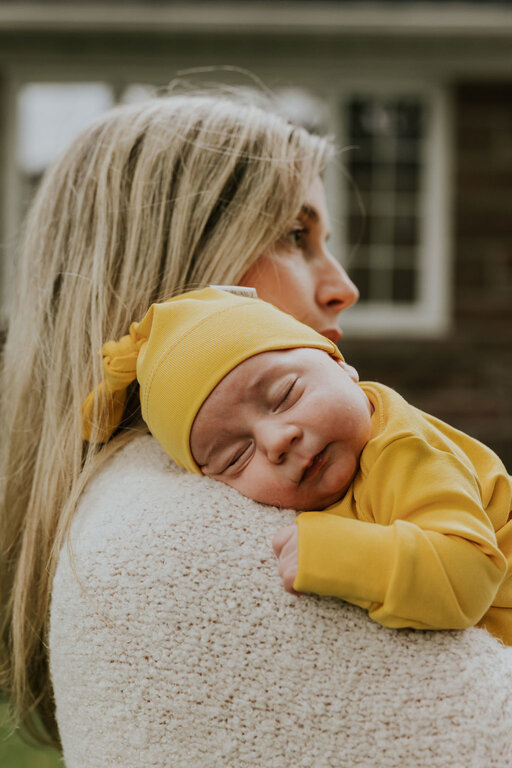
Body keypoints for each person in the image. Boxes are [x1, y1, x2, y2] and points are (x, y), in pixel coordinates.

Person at [0, 91, 358, 747]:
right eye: (294, 236)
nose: (341, 286)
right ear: (187, 268)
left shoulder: (131, 509)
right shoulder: (193, 540)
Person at [83, 287, 512, 646]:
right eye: (236, 457)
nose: (276, 441)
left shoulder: (401, 449)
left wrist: (337, 553)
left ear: (341, 366)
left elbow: (470, 573)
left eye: (285, 394)